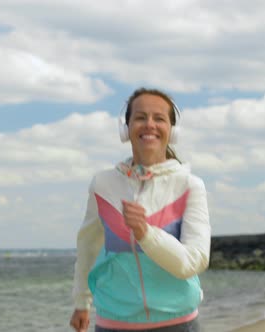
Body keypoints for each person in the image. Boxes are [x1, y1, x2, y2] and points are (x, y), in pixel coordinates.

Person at [69, 87, 211, 332]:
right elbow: (88, 246)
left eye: (159, 118)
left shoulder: (190, 186)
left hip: (178, 323)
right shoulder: (103, 184)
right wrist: (82, 302)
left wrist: (146, 233)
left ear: (172, 131)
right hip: (113, 323)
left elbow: (194, 261)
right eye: (140, 117)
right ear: (126, 129)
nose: (149, 125)